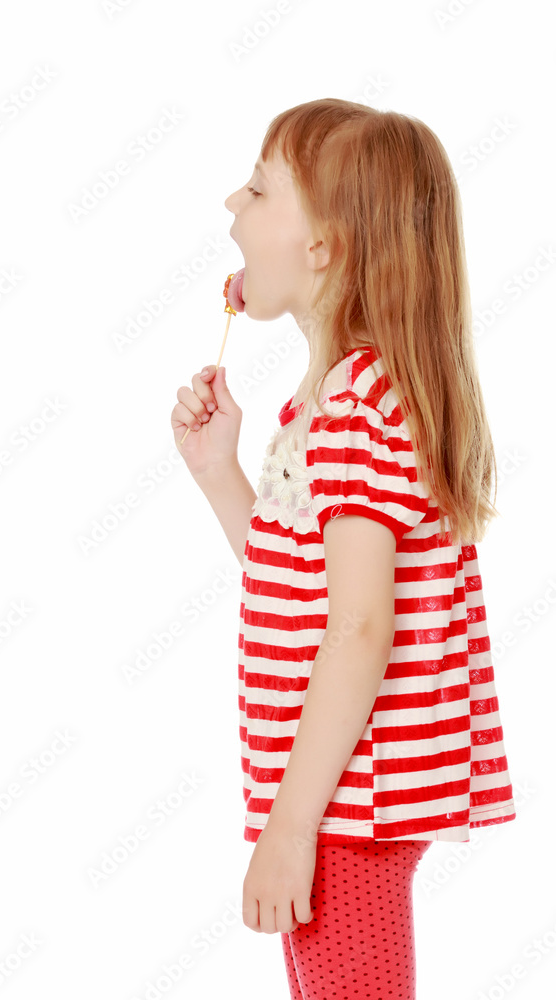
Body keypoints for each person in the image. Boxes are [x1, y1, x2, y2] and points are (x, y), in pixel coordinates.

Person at [171, 98, 516, 1000]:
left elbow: (358, 630)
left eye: (258, 189)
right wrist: (218, 473)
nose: (231, 203)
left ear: (322, 246)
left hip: (343, 803)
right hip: (335, 797)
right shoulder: (334, 398)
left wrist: (290, 828)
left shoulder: (359, 407)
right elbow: (303, 591)